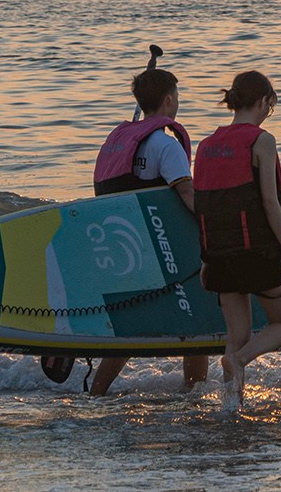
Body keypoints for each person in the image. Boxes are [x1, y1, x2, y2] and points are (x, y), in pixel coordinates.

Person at [84, 47, 211, 396]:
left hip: (121, 243)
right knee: (197, 323)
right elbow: (186, 194)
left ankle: (97, 393)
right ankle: (193, 394)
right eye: (178, 96)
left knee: (131, 326)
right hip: (161, 246)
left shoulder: (119, 141)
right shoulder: (165, 145)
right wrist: (216, 225)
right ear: (169, 101)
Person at [193, 71, 281, 407]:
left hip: (218, 255)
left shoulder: (206, 145)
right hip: (255, 253)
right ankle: (241, 362)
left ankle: (232, 407)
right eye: (270, 106)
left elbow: (204, 203)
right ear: (263, 102)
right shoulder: (261, 140)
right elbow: (270, 202)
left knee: (237, 339)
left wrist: (205, 258)